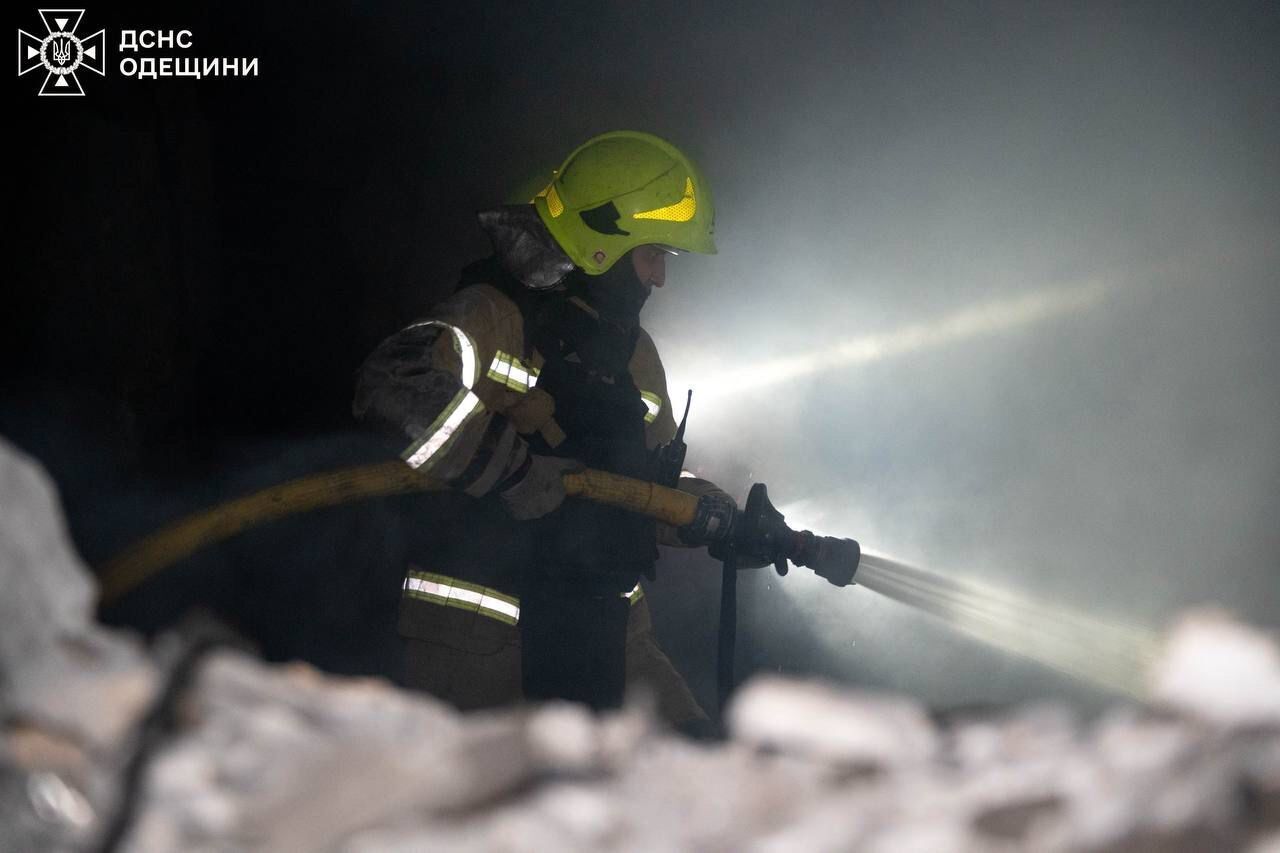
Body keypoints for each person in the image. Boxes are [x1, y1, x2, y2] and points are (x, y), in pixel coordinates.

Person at [353, 131, 738, 729]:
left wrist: (718, 515)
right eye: (653, 254)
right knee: (500, 790)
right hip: (482, 643)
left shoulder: (636, 358)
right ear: (603, 245)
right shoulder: (494, 316)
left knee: (703, 768)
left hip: (609, 635)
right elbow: (391, 385)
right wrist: (513, 470)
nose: (660, 278)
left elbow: (648, 485)